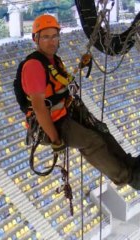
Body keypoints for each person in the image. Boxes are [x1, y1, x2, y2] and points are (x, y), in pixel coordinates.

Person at [20, 14, 140, 190]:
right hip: (51, 124)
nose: (52, 41)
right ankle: (127, 177)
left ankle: (130, 165)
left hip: (65, 113)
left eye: (54, 36)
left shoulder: (52, 61)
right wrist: (55, 139)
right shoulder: (34, 66)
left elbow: (61, 82)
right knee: (92, 141)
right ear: (35, 39)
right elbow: (39, 108)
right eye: (45, 37)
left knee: (101, 130)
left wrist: (80, 66)